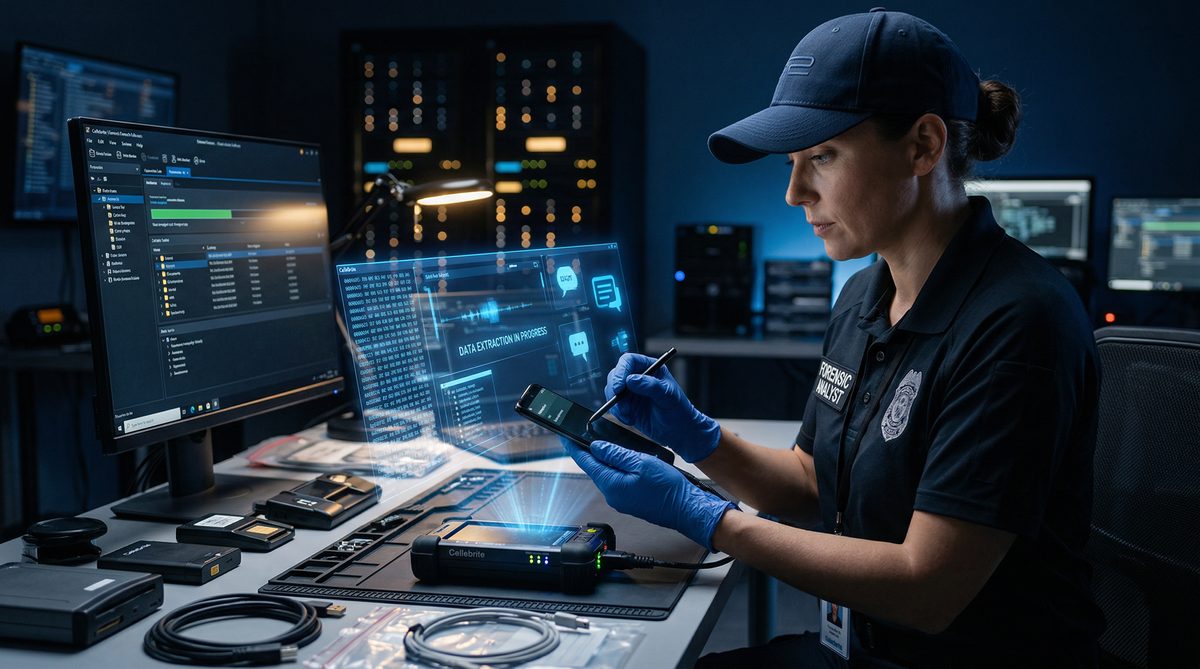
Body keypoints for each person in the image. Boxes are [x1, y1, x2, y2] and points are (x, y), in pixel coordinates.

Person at [565, 9, 1103, 668]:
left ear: (923, 146)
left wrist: (706, 516)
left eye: (822, 156)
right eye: (792, 162)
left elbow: (928, 586)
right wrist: (696, 435)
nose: (794, 192)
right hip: (864, 646)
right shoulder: (863, 296)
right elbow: (810, 480)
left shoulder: (1019, 322)